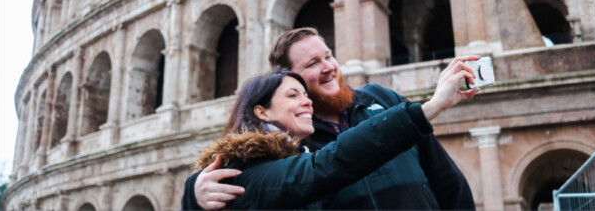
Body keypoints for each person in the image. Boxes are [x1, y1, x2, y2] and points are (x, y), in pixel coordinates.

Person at [193, 27, 479, 210]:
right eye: (313, 64)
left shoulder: (382, 98)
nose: (329, 67)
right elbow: (332, 162)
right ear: (288, 76)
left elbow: (447, 178)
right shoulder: (294, 143)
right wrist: (193, 194)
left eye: (328, 56)